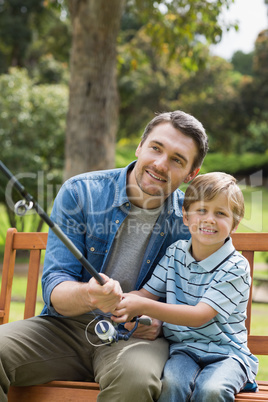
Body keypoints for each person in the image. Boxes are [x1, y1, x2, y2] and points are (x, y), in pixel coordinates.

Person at [0, 110, 208, 402]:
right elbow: (55, 287)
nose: (160, 165)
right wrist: (89, 295)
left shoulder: (192, 224)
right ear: (140, 146)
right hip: (65, 328)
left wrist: (158, 319)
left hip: (135, 339)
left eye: (177, 159)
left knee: (135, 382)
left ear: (191, 174)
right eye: (156, 148)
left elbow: (197, 306)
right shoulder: (80, 192)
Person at [112, 172, 259, 402]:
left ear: (235, 223)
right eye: (201, 210)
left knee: (212, 390)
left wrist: (143, 305)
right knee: (171, 385)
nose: (209, 219)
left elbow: (198, 316)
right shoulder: (176, 253)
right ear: (186, 216)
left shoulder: (236, 267)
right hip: (184, 350)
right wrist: (121, 300)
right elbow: (145, 294)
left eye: (220, 213)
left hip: (227, 355)